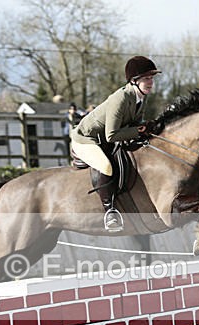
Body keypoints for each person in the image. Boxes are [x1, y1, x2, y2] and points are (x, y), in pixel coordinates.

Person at [70, 55, 162, 232]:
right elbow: (111, 135)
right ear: (134, 81)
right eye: (146, 79)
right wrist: (138, 130)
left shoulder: (141, 97)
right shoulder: (120, 98)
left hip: (104, 138)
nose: (150, 82)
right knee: (105, 165)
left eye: (152, 78)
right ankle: (110, 211)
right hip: (86, 139)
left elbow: (132, 124)